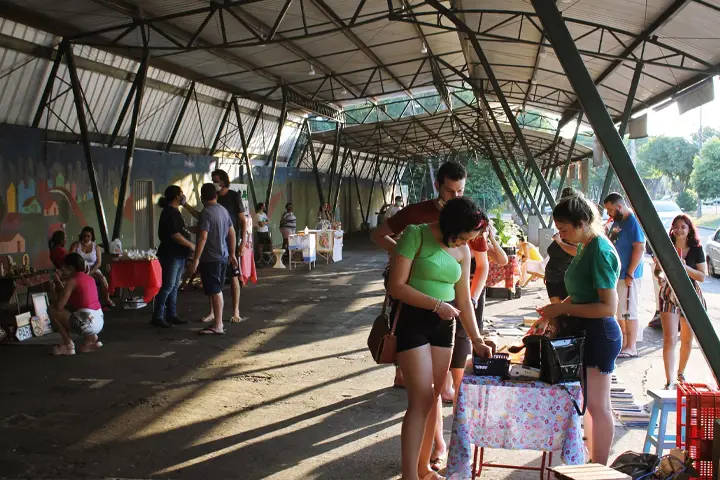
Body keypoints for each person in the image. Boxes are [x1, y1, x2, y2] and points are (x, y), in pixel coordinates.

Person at [371, 161, 467, 469]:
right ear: (438, 185)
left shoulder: (463, 217)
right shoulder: (415, 217)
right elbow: (379, 234)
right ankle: (419, 464)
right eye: (450, 191)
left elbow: (471, 262)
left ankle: (430, 455)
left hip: (447, 312)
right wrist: (403, 253)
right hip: (414, 310)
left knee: (435, 393)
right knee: (421, 395)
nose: (455, 197)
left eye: (460, 191)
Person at [388, 197, 492, 480]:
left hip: (445, 326)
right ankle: (409, 475)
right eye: (462, 237)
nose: (464, 243)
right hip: (414, 322)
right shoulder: (416, 235)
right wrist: (436, 305)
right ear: (450, 226)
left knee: (433, 397)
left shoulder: (464, 251)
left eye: (468, 239)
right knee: (420, 399)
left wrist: (477, 339)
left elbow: (464, 300)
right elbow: (397, 286)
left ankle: (423, 469)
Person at [531, 194, 621, 465]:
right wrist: (555, 311)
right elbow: (581, 294)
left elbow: (608, 307)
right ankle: (592, 461)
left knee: (599, 406)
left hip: (600, 334)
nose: (561, 235)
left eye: (565, 229)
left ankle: (599, 467)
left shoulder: (600, 251)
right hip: (585, 331)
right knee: (590, 405)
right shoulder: (584, 245)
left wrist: (562, 309)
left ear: (582, 223)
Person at [656, 214, 707, 389]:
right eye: (676, 226)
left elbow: (702, 276)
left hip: (690, 295)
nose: (679, 230)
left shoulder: (696, 249)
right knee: (669, 338)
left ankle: (680, 373)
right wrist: (660, 276)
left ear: (689, 229)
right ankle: (669, 380)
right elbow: (658, 271)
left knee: (686, 338)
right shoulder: (666, 247)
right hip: (669, 294)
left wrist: (684, 268)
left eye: (683, 227)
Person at [199, 169, 248, 324]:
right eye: (213, 181)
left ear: (224, 181)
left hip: (230, 243)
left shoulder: (234, 196)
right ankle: (212, 312)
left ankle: (235, 311)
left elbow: (243, 221)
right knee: (212, 280)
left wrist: (243, 241)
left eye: (217, 181)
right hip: (214, 245)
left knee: (233, 276)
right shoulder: (213, 199)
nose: (215, 183)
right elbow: (203, 219)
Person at [189, 183, 237, 335]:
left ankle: (218, 325)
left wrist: (196, 259)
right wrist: (232, 253)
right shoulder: (223, 210)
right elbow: (232, 233)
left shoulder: (206, 213)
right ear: (216, 196)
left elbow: (203, 237)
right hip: (223, 256)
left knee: (215, 291)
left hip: (211, 258)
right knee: (216, 289)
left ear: (202, 197)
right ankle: (217, 321)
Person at [603, 192, 646, 358]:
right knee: (620, 310)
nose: (609, 214)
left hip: (628, 274)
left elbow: (639, 248)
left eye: (610, 210)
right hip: (617, 273)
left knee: (629, 311)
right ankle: (624, 342)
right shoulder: (617, 221)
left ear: (619, 206)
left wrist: (630, 272)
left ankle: (631, 346)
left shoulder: (633, 223)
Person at [152, 185, 197, 328]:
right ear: (177, 196)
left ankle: (171, 314)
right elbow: (175, 235)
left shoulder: (175, 212)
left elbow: (181, 230)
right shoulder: (169, 212)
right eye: (181, 193)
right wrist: (191, 245)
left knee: (174, 286)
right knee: (168, 286)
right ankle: (158, 316)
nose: (183, 196)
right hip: (171, 254)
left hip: (179, 254)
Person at [47, 252, 105, 355]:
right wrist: (60, 286)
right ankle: (89, 341)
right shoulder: (90, 279)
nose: (62, 271)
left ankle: (68, 345)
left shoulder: (72, 281)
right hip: (99, 322)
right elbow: (74, 301)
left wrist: (52, 291)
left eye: (63, 269)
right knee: (79, 313)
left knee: (52, 310)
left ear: (70, 268)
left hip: (87, 323)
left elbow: (59, 307)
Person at [545, 188, 581, 303]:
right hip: (552, 278)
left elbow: (578, 251)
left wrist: (560, 242)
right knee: (557, 310)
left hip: (565, 278)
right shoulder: (564, 232)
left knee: (563, 310)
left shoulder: (575, 230)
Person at [69, 226, 114, 308]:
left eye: (88, 236)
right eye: (84, 236)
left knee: (103, 279)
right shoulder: (76, 245)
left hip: (93, 270)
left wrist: (90, 272)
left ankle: (107, 299)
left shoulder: (96, 247)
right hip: (79, 270)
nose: (86, 238)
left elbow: (98, 263)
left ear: (92, 236)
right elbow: (70, 258)